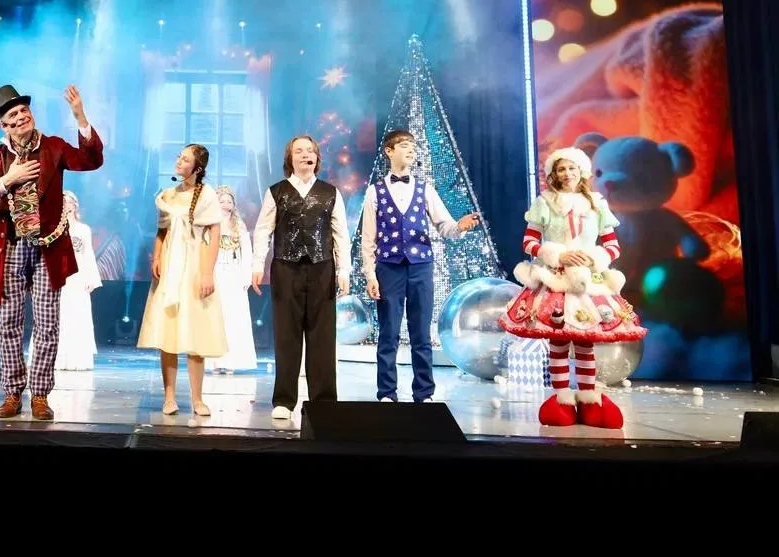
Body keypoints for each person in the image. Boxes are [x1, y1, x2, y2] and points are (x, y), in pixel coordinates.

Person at [0, 83, 104, 420]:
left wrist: (80, 117)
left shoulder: (53, 147)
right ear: (4, 126)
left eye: (23, 110)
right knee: (8, 322)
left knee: (47, 323)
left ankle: (40, 394)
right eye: (13, 115)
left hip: (47, 248)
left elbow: (91, 160)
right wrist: (7, 180)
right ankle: (12, 392)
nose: (21, 117)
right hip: (10, 247)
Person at [499, 146, 646, 429]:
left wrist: (594, 258)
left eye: (572, 168)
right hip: (556, 279)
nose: (567, 174)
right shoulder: (545, 202)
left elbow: (612, 245)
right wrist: (558, 255)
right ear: (554, 174)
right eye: (561, 169)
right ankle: (562, 399)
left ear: (582, 171)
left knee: (585, 340)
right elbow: (529, 242)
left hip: (588, 282)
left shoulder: (597, 204)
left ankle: (589, 398)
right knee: (558, 340)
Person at [360, 129, 479, 404]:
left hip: (420, 266)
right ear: (389, 151)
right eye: (404, 145)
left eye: (413, 146)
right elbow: (368, 239)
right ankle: (387, 393)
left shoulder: (425, 189)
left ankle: (424, 393)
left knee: (421, 333)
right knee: (388, 333)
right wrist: (370, 274)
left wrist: (459, 227)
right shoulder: (375, 192)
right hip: (388, 267)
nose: (411, 150)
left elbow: (445, 226)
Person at [252, 135, 351, 421]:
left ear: (317, 158)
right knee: (287, 335)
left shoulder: (330, 193)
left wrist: (344, 270)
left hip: (322, 268)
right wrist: (257, 264)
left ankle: (324, 401)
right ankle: (284, 399)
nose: (305, 155)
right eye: (299, 151)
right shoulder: (277, 192)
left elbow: (340, 234)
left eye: (310, 151)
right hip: (286, 268)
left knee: (322, 336)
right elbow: (263, 230)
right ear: (290, 158)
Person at [136, 144, 226, 417]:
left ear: (197, 168)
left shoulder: (207, 195)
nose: (179, 161)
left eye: (185, 159)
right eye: (179, 157)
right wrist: (157, 257)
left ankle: (197, 399)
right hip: (170, 265)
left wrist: (207, 272)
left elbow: (214, 235)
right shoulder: (169, 195)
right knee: (169, 332)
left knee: (196, 331)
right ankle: (169, 397)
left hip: (194, 266)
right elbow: (161, 231)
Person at [206, 185, 258, 373]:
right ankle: (214, 361)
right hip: (216, 273)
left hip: (234, 274)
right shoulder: (210, 224)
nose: (226, 204)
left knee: (234, 318)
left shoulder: (239, 225)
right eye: (222, 201)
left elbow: (247, 251)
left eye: (229, 201)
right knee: (216, 317)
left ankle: (231, 361)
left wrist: (246, 276)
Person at [55, 191, 103, 371]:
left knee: (77, 315)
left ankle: (77, 359)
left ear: (74, 206)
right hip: (59, 276)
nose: (64, 205)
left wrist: (91, 278)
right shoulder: (53, 227)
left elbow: (88, 254)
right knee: (57, 316)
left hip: (77, 276)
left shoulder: (83, 229)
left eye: (67, 202)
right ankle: (55, 359)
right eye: (61, 202)